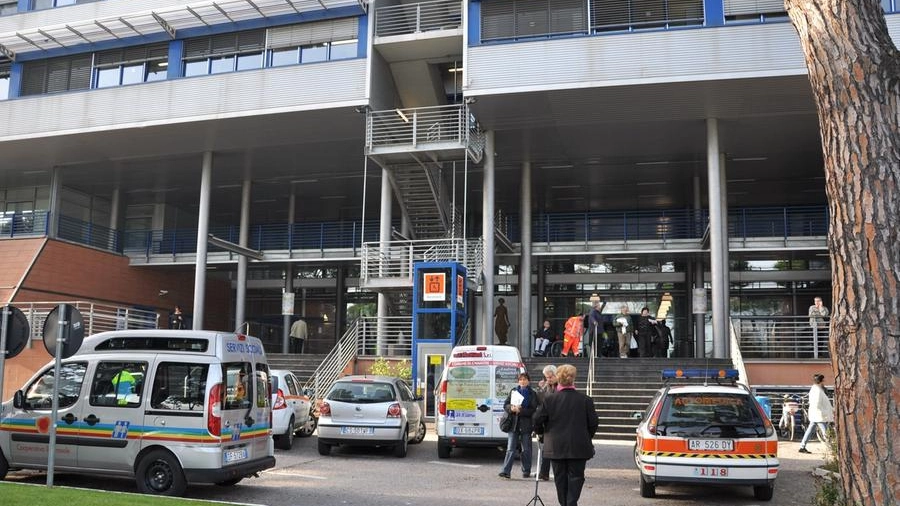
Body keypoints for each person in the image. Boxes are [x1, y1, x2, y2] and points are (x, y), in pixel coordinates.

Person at [533, 364, 599, 506]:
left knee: (560, 478)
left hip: (556, 445)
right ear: (573, 379)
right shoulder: (585, 400)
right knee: (576, 477)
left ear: (558, 378)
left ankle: (565, 504)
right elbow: (593, 423)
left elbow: (537, 419)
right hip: (578, 445)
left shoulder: (549, 399)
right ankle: (571, 503)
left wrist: (541, 434)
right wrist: (586, 436)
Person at [498, 372, 537, 479]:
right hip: (513, 424)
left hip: (526, 425)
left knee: (526, 449)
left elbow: (533, 410)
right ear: (518, 381)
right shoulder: (513, 391)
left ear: (528, 381)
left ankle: (526, 471)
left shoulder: (532, 393)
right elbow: (505, 405)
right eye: (520, 379)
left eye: (524, 379)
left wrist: (521, 411)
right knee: (510, 448)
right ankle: (505, 471)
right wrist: (511, 408)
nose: (522, 381)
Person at [799, 374, 834, 453]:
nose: (825, 381)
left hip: (816, 414)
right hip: (819, 415)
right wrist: (824, 412)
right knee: (825, 432)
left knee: (810, 430)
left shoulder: (815, 389)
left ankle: (802, 446)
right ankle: (832, 449)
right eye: (824, 380)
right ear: (821, 381)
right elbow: (817, 403)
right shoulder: (817, 390)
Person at [535, 365, 558, 481]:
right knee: (547, 449)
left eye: (550, 377)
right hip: (547, 422)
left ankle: (547, 472)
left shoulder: (561, 386)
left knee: (552, 449)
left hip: (558, 421)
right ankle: (544, 473)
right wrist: (540, 389)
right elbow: (541, 401)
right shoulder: (546, 387)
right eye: (547, 377)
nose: (548, 379)